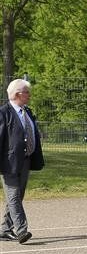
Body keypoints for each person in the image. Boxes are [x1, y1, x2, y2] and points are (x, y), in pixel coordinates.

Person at [0, 79, 44, 244]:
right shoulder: (3, 113)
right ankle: (21, 230)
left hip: (25, 160)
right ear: (18, 94)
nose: (29, 95)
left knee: (18, 196)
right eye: (27, 92)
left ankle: (5, 229)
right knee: (13, 196)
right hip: (8, 163)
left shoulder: (27, 112)